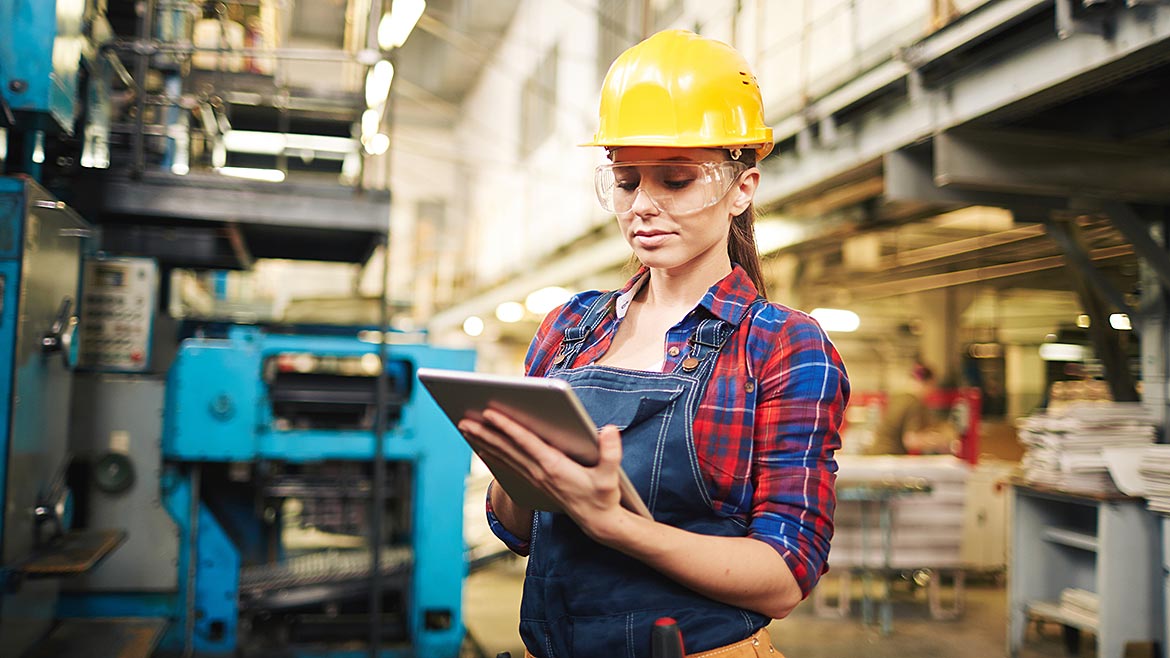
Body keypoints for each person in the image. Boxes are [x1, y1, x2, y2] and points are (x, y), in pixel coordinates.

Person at [458, 29, 849, 658]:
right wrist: (512, 466)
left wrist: (618, 526)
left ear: (741, 188)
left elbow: (783, 577)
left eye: (674, 180)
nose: (642, 205)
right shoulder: (569, 329)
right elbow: (518, 530)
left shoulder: (779, 347)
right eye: (626, 179)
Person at [868, 362, 954, 455]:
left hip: (877, 455)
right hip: (889, 457)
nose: (931, 392)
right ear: (928, 383)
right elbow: (910, 440)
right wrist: (938, 442)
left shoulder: (898, 396)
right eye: (932, 387)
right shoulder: (913, 401)